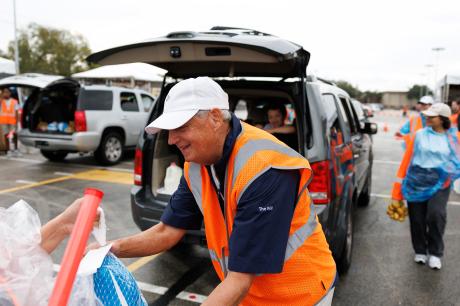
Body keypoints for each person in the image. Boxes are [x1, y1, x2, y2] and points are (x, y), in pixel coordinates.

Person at [105, 77, 337, 305]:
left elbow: (240, 279)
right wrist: (108, 250)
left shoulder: (265, 168)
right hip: (248, 296)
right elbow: (167, 231)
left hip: (299, 295)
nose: (172, 139)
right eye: (169, 130)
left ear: (215, 117)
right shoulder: (197, 163)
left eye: (181, 127)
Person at [391, 103, 460, 270]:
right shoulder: (419, 135)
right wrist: (397, 191)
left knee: (436, 215)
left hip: (440, 183)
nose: (427, 117)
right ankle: (420, 250)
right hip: (416, 181)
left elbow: (457, 161)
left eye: (432, 116)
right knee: (417, 219)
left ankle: (436, 252)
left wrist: (446, 175)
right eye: (427, 115)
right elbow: (407, 160)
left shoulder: (454, 138)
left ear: (443, 119)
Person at [0, 88, 19, 155]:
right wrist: (1, 97)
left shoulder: (14, 101)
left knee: (14, 135)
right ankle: (8, 150)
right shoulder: (1, 101)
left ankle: (16, 149)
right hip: (4, 121)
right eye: (4, 92)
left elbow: (16, 111)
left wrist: (17, 121)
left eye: (7, 92)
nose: (6, 93)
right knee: (6, 135)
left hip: (12, 121)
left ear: (10, 93)